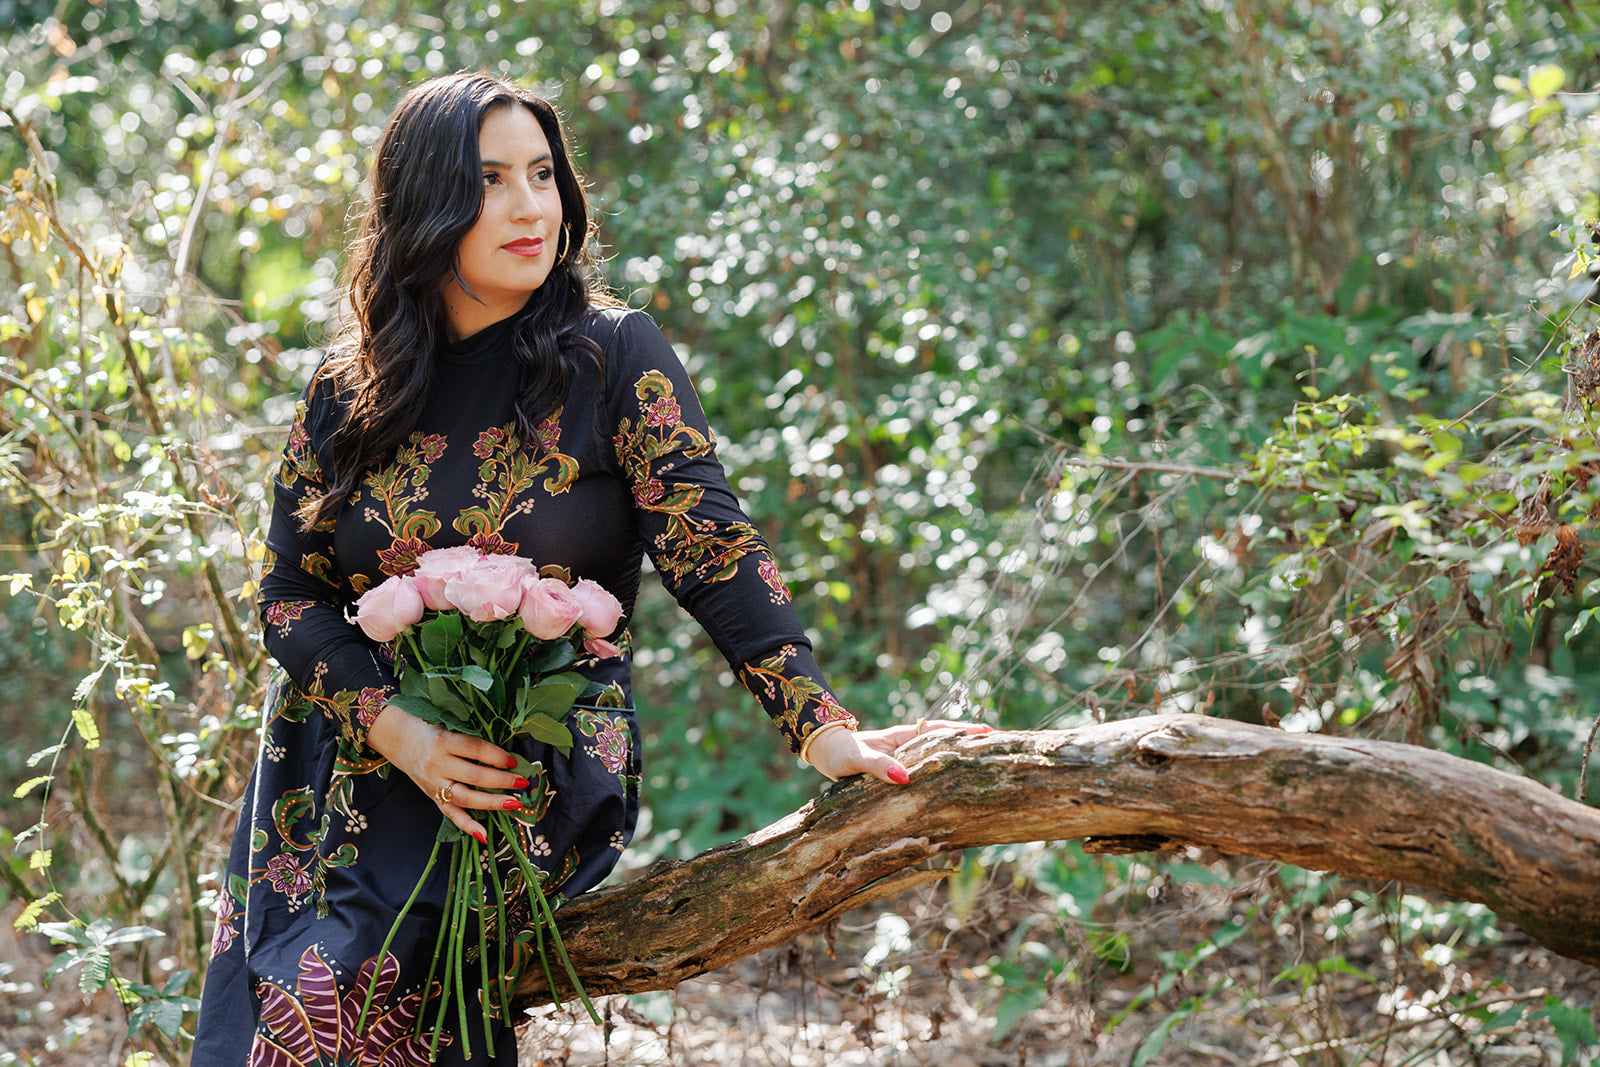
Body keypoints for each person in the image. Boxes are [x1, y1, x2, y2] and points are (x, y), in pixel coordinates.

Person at [191, 71, 987, 1065]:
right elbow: (289, 594)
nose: (532, 207)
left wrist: (819, 725)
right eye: (490, 180)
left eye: (542, 174)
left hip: (527, 758)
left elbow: (712, 546)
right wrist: (394, 726)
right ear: (425, 203)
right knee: (286, 1010)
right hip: (349, 756)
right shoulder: (350, 387)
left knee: (355, 990)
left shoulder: (612, 355)